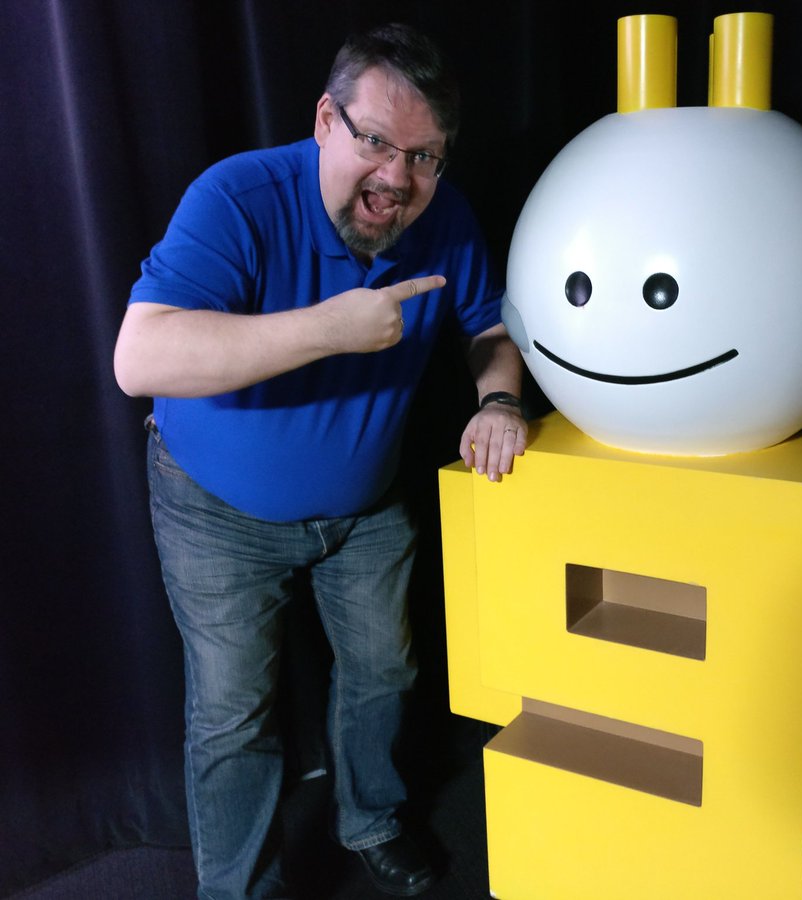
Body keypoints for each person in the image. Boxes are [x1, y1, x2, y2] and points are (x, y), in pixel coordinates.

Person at [113, 22, 526, 899]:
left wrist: (499, 401)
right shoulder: (238, 197)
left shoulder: (445, 217)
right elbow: (138, 358)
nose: (397, 178)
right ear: (325, 122)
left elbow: (489, 326)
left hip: (365, 509)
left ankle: (370, 818)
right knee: (233, 714)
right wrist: (326, 330)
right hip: (215, 513)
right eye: (375, 140)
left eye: (424, 156)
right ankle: (237, 890)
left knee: (385, 672)